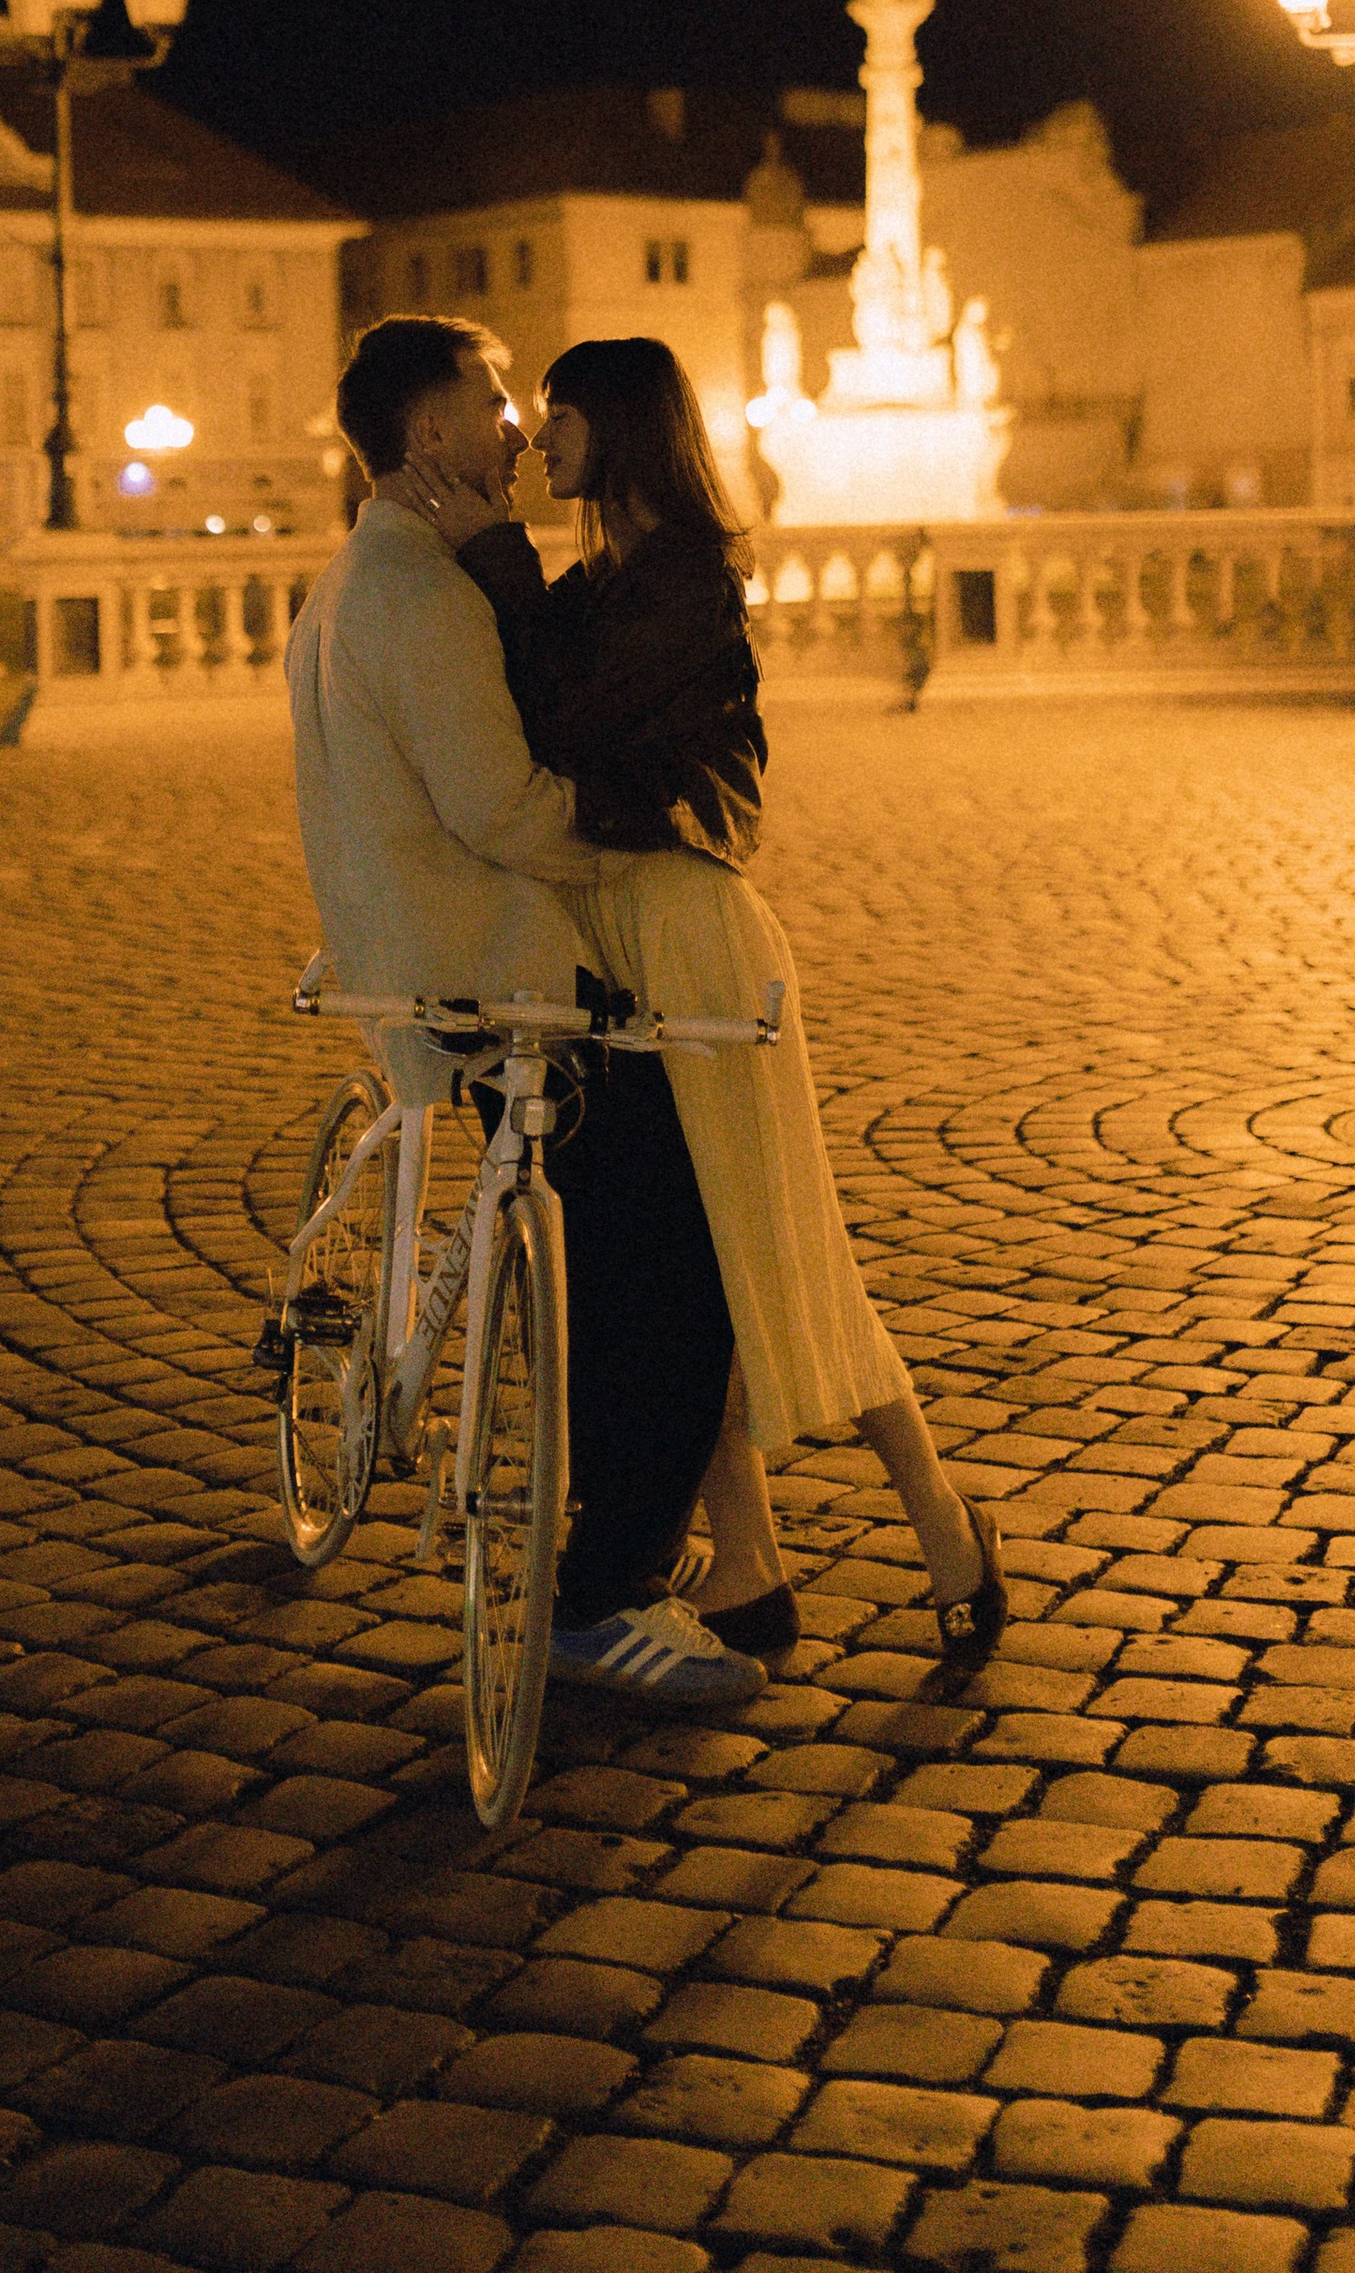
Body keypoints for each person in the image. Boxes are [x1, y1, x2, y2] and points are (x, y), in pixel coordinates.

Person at [403, 332, 1006, 1665]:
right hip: (616, 930)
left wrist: (492, 555)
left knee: (779, 1248)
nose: (537, 437)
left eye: (557, 415)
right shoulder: (612, 569)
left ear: (618, 427)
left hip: (691, 941)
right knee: (696, 1268)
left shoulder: (680, 579)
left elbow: (561, 714)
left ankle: (944, 1520)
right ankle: (749, 1564)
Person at [285, 314, 767, 1710]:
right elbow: (501, 805)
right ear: (427, 436)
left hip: (405, 962)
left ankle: (635, 1543)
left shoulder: (357, 576)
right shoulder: (427, 595)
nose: (512, 426)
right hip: (494, 985)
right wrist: (658, 847)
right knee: (677, 1260)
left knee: (624, 1236)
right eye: (493, 403)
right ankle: (608, 1587)